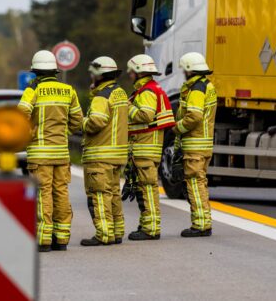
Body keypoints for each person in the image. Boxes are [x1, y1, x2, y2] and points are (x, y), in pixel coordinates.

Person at [17, 50, 83, 252]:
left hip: (40, 153)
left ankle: (43, 240)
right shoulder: (68, 91)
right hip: (61, 153)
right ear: (54, 70)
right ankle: (61, 239)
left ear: (35, 71)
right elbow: (78, 121)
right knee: (61, 192)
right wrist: (63, 131)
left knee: (42, 193)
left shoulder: (32, 91)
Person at [125, 54, 175, 241]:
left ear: (138, 72)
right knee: (145, 188)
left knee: (147, 188)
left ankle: (150, 228)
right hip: (146, 147)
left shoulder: (147, 92)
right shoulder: (150, 89)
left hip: (145, 147)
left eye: (131, 71)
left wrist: (127, 107)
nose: (129, 74)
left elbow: (145, 115)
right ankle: (147, 224)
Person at [80, 56, 128, 246]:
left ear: (99, 75)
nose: (91, 77)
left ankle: (103, 234)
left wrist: (81, 122)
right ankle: (117, 232)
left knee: (99, 194)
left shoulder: (102, 96)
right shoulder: (120, 93)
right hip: (117, 155)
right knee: (113, 194)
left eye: (93, 74)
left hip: (100, 154)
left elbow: (96, 122)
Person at [174, 52, 217, 237]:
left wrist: (177, 128)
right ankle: (203, 222)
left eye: (184, 70)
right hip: (203, 144)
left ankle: (200, 225)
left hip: (195, 145)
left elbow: (195, 115)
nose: (183, 73)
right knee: (200, 183)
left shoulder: (197, 89)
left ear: (190, 70)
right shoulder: (207, 85)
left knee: (195, 184)